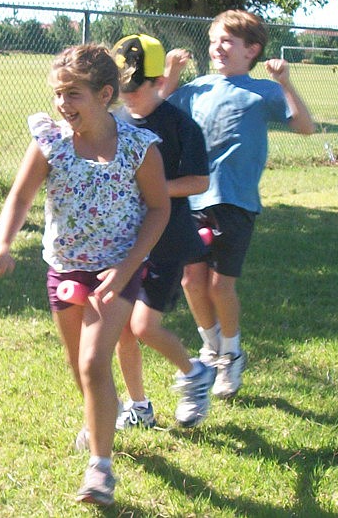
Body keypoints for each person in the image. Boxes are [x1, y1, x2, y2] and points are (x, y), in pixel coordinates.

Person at [0, 44, 170, 507]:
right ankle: (98, 420)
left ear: (105, 93)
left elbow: (159, 208)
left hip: (116, 271)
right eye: (58, 95)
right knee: (80, 368)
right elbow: (21, 198)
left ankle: (100, 471)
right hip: (64, 269)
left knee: (93, 363)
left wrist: (127, 268)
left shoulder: (137, 147)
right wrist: (2, 244)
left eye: (74, 95)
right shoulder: (51, 142)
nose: (63, 105)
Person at [162, 10, 315, 399]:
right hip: (191, 197)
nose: (218, 47)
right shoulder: (196, 88)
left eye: (228, 41)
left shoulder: (262, 91)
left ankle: (231, 354)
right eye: (215, 40)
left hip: (235, 201)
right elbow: (157, 112)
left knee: (219, 284)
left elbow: (304, 125)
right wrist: (172, 74)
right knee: (191, 281)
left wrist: (285, 81)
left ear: (252, 50)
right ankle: (211, 348)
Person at [111, 34, 215, 430]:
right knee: (122, 328)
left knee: (143, 326)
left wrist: (155, 187)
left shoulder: (180, 125)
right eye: (121, 88)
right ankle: (139, 407)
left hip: (167, 241)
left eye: (135, 88)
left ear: (156, 82)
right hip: (124, 240)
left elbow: (199, 182)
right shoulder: (116, 121)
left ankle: (195, 373)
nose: (128, 96)